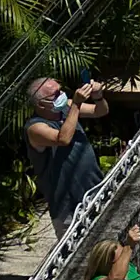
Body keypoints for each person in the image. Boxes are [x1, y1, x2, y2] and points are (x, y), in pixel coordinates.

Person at [24, 76, 107, 235]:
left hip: (95, 189)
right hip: (68, 206)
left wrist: (98, 96)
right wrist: (76, 104)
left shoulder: (67, 108)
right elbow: (63, 139)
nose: (61, 95)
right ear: (41, 104)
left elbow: (100, 111)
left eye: (60, 90)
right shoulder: (35, 128)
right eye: (55, 94)